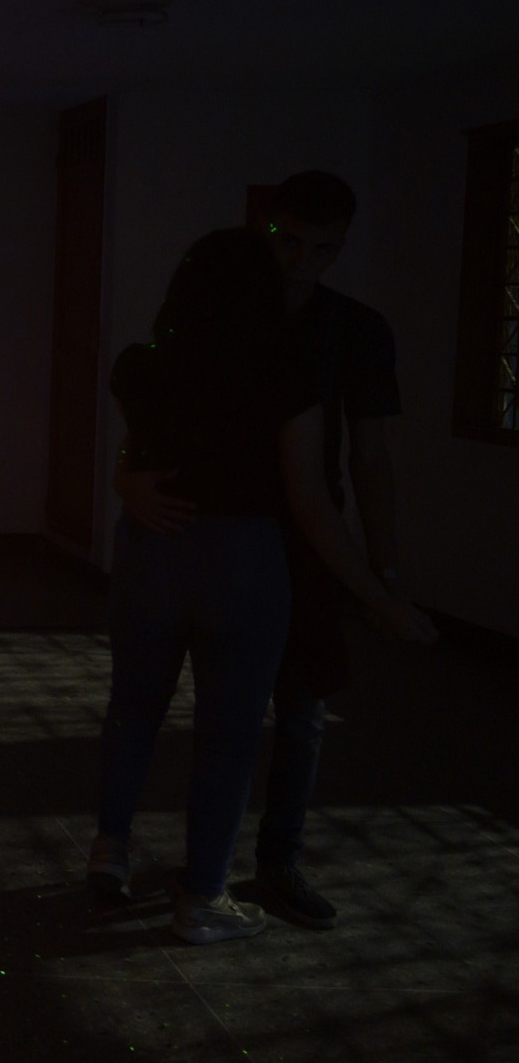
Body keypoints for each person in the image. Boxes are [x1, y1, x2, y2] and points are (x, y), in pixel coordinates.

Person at [90, 227, 434, 946]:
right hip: (243, 558)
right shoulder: (286, 368)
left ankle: (110, 853)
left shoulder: (142, 363)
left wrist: (127, 484)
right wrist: (379, 596)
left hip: (153, 549)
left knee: (131, 710)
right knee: (228, 737)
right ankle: (201, 897)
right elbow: (309, 501)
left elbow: (140, 452)